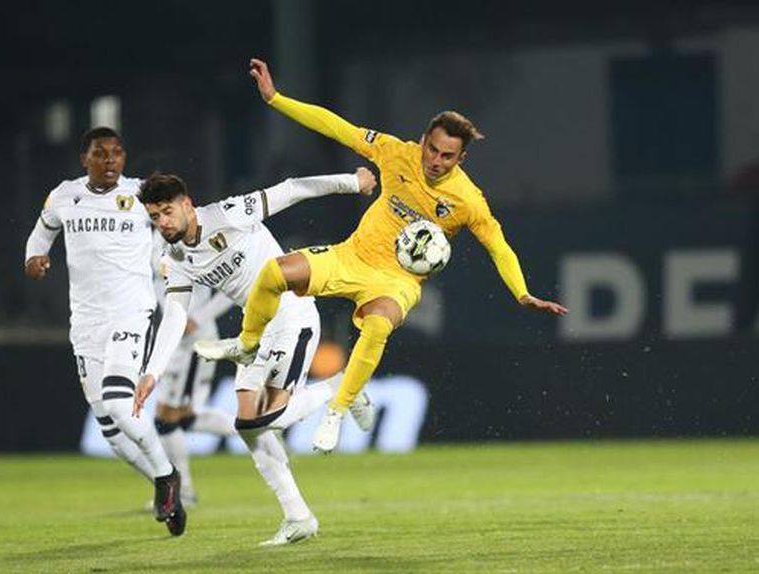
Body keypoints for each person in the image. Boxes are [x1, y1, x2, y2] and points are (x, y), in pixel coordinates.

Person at [196, 58, 569, 453]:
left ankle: (336, 411)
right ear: (423, 141)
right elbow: (337, 127)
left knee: (377, 326)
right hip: (351, 256)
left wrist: (521, 293)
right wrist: (276, 99)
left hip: (397, 281)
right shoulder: (395, 153)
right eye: (432, 149)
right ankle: (248, 343)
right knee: (275, 272)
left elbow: (498, 246)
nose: (435, 161)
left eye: (447, 156)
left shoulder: (467, 201)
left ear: (461, 159)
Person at [133, 168, 378, 545]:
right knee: (249, 428)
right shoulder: (176, 257)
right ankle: (298, 517)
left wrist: (352, 182)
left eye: (167, 212)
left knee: (263, 419)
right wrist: (152, 372)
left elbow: (291, 189)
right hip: (256, 333)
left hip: (291, 315)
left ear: (187, 205)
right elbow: (175, 315)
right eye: (154, 216)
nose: (162, 222)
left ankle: (340, 387)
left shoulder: (228, 214)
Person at [24, 127, 185, 536]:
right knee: (112, 434)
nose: (110, 159)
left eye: (117, 152)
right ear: (85, 159)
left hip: (130, 314)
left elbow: (174, 223)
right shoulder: (64, 196)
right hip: (85, 323)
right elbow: (41, 235)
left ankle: (167, 477)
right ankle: (164, 485)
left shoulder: (140, 195)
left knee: (117, 402)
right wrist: (34, 258)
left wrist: (171, 262)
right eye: (101, 153)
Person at [148, 279, 237, 508]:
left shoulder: (195, 255)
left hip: (194, 342)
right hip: (174, 342)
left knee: (166, 419)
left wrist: (198, 319)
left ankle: (184, 492)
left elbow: (231, 288)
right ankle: (258, 428)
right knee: (184, 418)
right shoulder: (150, 254)